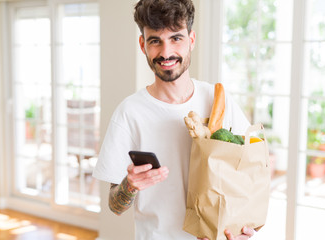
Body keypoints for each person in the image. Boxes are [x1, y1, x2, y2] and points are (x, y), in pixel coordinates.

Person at [93, 0, 255, 239]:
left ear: (191, 39)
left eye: (176, 38)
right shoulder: (129, 113)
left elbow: (250, 171)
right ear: (142, 45)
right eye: (155, 41)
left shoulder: (218, 100)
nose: (166, 53)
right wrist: (130, 184)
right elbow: (115, 206)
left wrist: (243, 226)